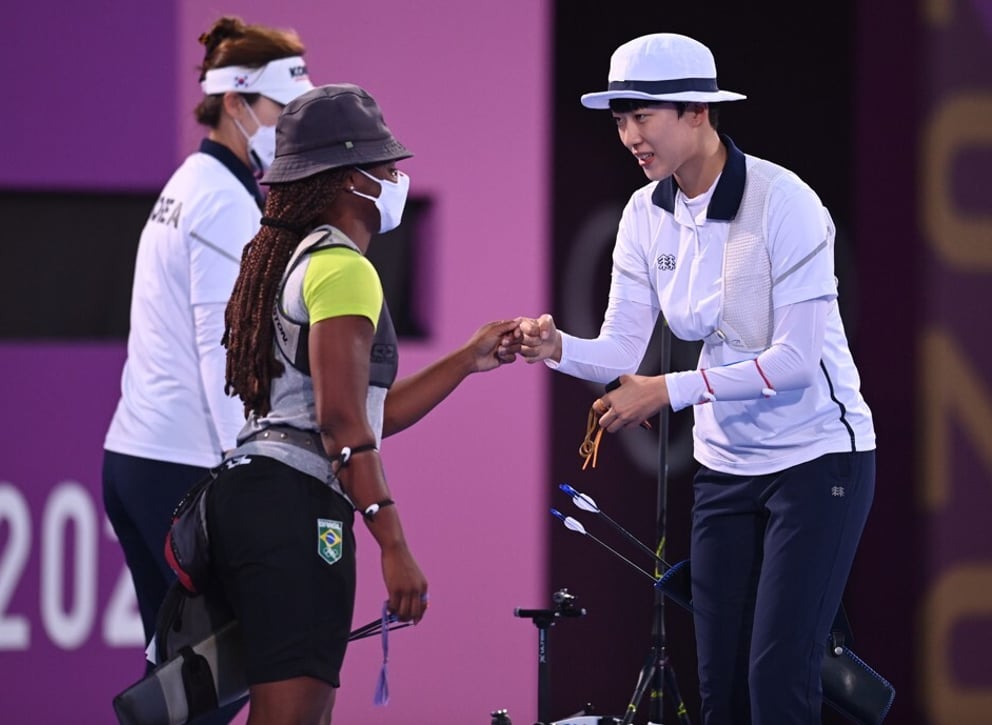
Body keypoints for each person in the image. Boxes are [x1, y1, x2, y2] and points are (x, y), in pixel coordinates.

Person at [513, 33, 876, 725]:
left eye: (642, 116)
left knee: (778, 677)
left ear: (698, 113)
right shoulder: (644, 213)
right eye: (620, 119)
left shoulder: (784, 201)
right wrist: (555, 347)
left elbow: (796, 363)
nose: (629, 136)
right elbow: (621, 348)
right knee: (721, 689)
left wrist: (668, 389)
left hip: (819, 459)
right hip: (723, 468)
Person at [208, 82, 521, 725]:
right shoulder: (345, 269)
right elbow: (341, 424)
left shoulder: (292, 260)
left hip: (252, 499)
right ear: (352, 178)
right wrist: (393, 543)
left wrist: (467, 359)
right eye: (388, 167)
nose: (398, 178)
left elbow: (363, 415)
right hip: (294, 512)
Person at [102, 15, 312, 717]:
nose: (288, 128)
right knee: (211, 685)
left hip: (138, 458)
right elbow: (222, 351)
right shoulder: (221, 201)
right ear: (235, 103)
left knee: (175, 686)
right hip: (179, 466)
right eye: (282, 111)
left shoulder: (193, 182)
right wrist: (247, 472)